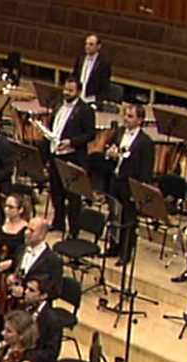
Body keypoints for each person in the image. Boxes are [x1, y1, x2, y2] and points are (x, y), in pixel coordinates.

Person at [105, 103, 153, 266]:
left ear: (140, 120)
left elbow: (146, 170)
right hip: (115, 180)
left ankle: (125, 253)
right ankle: (113, 247)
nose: (126, 119)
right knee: (114, 215)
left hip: (130, 185)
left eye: (130, 116)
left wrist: (138, 192)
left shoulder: (145, 142)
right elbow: (109, 150)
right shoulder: (119, 132)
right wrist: (110, 154)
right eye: (125, 115)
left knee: (128, 219)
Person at [0, 192, 31, 362]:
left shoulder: (25, 230)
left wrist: (11, 264)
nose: (6, 210)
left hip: (10, 279)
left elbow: (24, 255)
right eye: (6, 206)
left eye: (11, 207)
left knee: (7, 316)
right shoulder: (2, 227)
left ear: (20, 210)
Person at [45, 77, 95, 236]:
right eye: (65, 89)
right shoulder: (58, 104)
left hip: (72, 158)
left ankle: (73, 230)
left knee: (73, 197)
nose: (66, 93)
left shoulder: (85, 110)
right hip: (56, 154)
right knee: (56, 192)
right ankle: (58, 222)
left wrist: (71, 142)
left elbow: (90, 134)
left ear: (78, 92)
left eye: (70, 90)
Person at [72, 34, 112, 104]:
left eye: (91, 44)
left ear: (98, 46)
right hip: (77, 97)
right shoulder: (80, 59)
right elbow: (74, 76)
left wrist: (97, 103)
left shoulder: (104, 63)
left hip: (91, 100)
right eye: (86, 44)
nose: (87, 46)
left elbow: (104, 86)